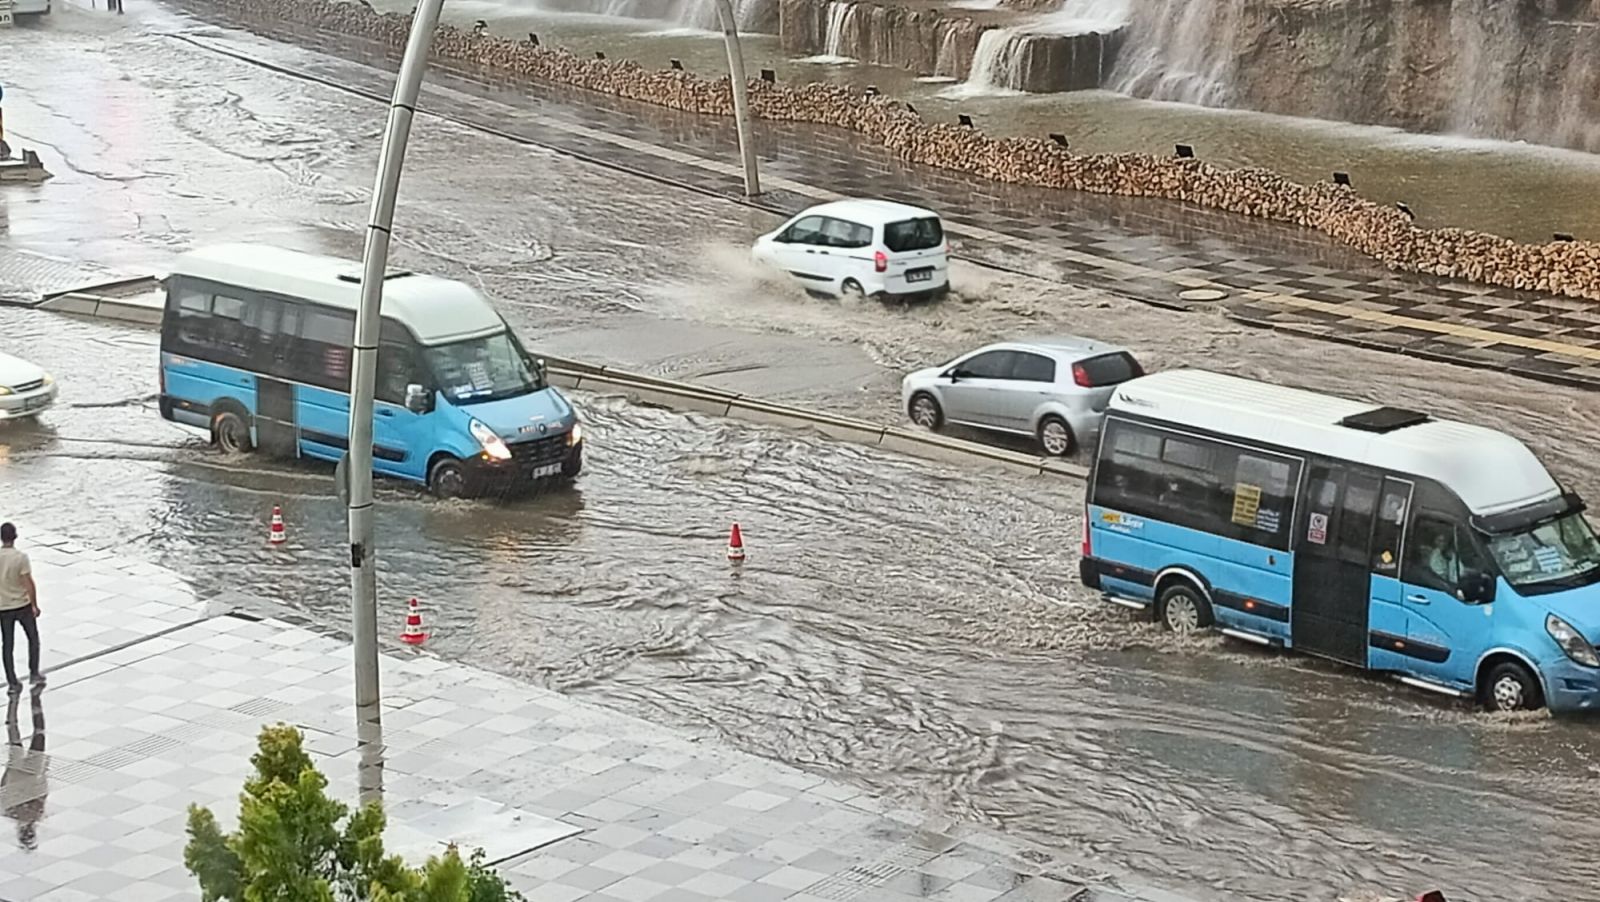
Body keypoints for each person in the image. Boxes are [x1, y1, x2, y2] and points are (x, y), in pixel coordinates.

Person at [0, 524, 42, 693]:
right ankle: (34, 673)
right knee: (33, 638)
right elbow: (28, 583)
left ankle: (12, 681)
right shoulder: (20, 558)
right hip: (22, 605)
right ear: (15, 536)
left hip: (3, 607)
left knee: (7, 645)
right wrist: (34, 604)